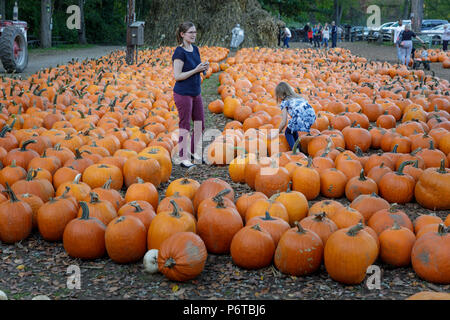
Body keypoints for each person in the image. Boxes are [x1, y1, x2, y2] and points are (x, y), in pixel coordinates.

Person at [172, 21, 208, 168]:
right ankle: (183, 157)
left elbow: (197, 69)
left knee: (200, 124)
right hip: (183, 93)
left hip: (195, 92)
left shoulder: (195, 49)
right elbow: (177, 76)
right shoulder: (179, 52)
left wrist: (203, 68)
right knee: (185, 124)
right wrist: (195, 70)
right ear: (182, 34)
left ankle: (193, 152)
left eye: (195, 32)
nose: (194, 35)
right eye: (190, 32)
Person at [275, 82, 316, 151]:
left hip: (300, 118)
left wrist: (276, 133)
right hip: (311, 116)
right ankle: (298, 148)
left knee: (287, 132)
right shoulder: (298, 97)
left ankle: (295, 151)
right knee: (293, 129)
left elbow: (284, 122)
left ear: (281, 95)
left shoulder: (285, 102)